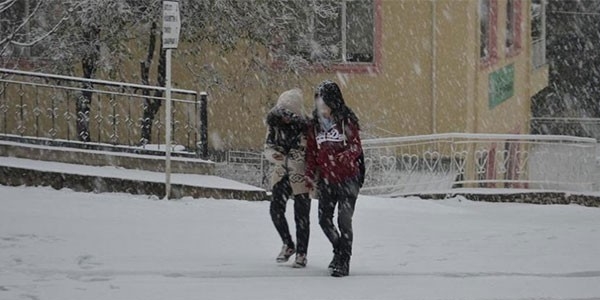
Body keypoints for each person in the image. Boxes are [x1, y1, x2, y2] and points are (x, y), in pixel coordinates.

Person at [305, 80, 363, 277]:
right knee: (324, 219)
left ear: (333, 101)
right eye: (318, 102)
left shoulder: (346, 121)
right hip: (327, 180)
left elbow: (356, 147)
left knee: (344, 220)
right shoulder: (315, 126)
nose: (320, 106)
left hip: (348, 179)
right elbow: (312, 153)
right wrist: (309, 175)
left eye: (323, 102)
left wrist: (345, 156)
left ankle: (343, 261)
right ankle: (339, 249)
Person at [264, 88, 312, 268]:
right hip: (281, 172)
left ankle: (302, 253)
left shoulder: (307, 128)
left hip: (301, 173)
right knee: (275, 208)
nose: (285, 118)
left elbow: (311, 151)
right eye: (282, 113)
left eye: (289, 114)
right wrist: (274, 155)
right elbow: (267, 147)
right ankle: (288, 243)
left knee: (301, 215)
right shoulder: (274, 126)